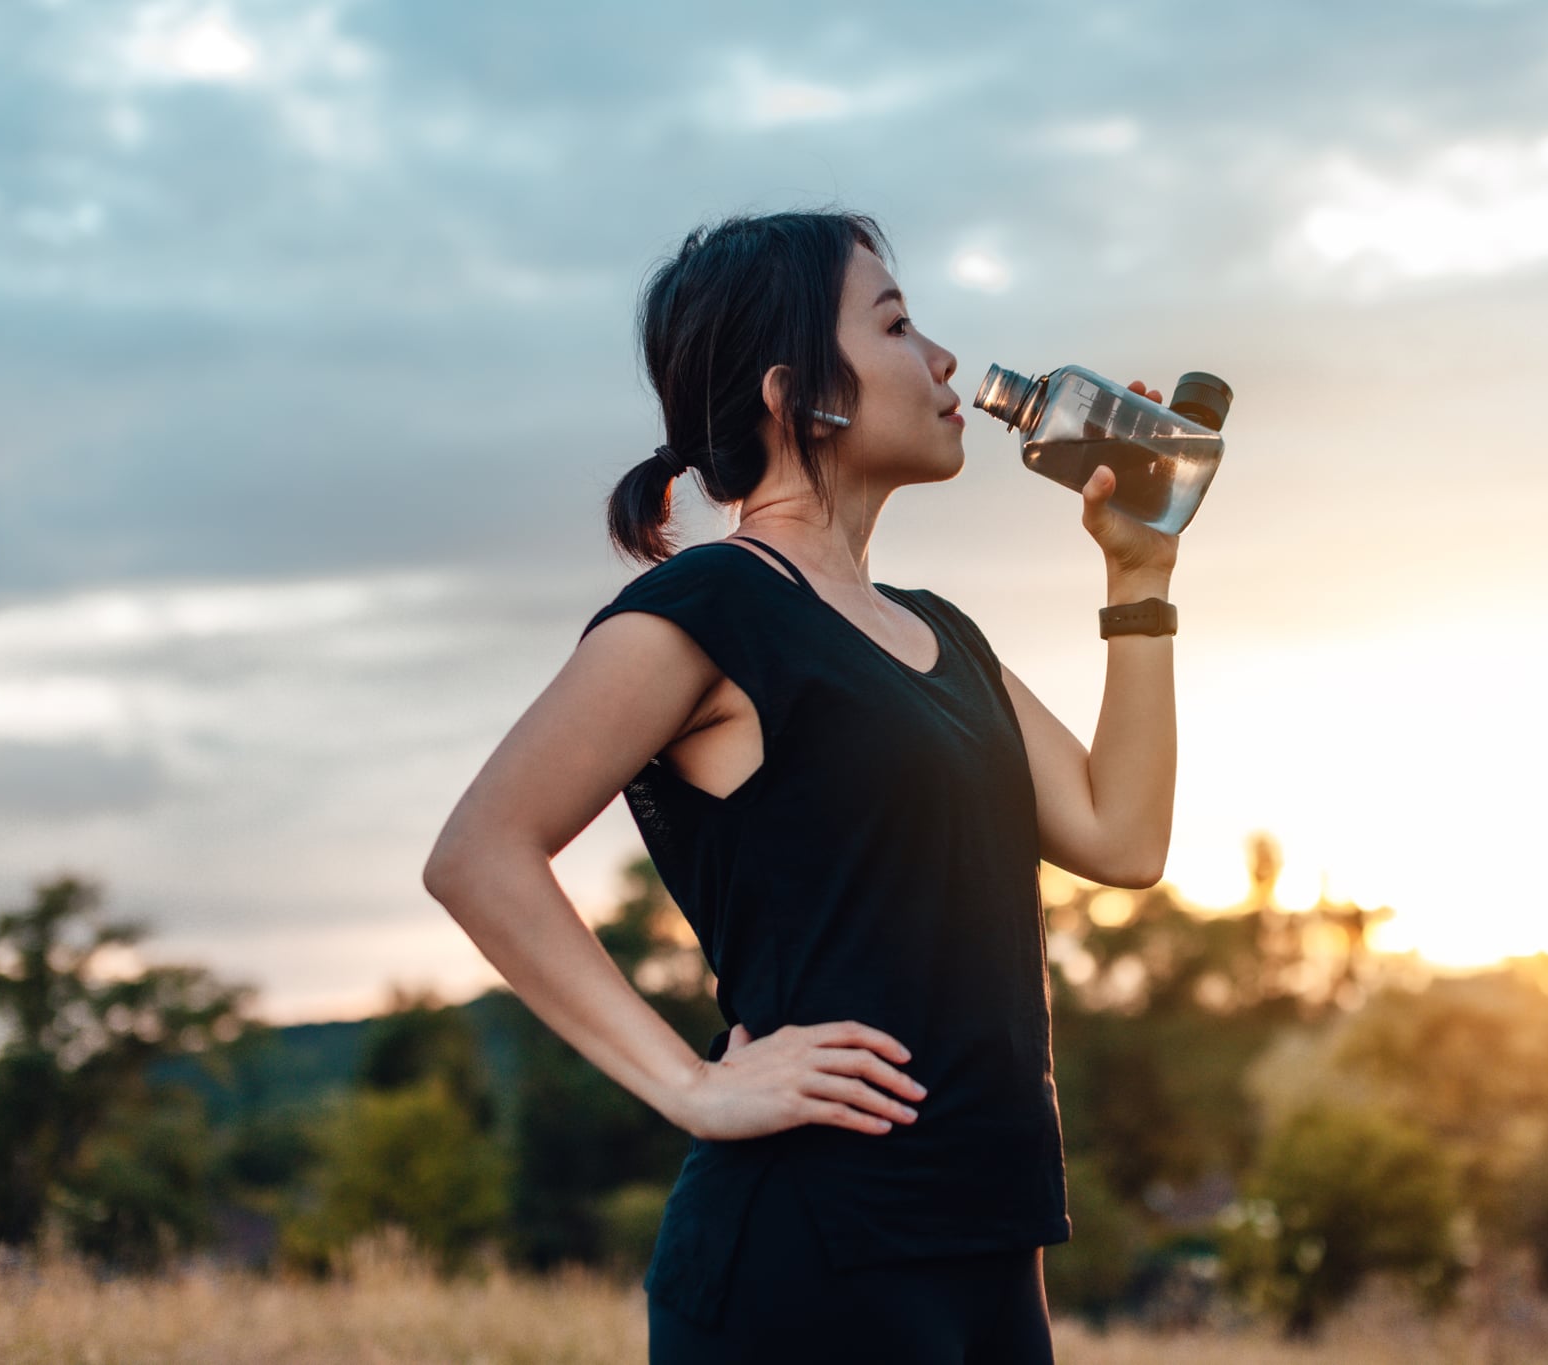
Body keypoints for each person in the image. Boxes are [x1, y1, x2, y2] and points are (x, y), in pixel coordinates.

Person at [422, 209, 1178, 1364]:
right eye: (895, 323)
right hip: (808, 1263)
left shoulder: (941, 637)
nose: (940, 361)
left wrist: (1139, 581)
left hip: (990, 1256)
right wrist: (689, 1085)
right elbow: (479, 854)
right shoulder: (709, 606)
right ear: (798, 395)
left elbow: (1121, 840)